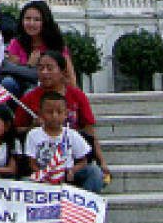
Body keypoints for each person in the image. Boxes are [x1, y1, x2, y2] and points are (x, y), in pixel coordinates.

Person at [17, 51, 109, 192]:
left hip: (69, 164)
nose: (44, 72)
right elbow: (18, 130)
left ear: (62, 71)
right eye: (40, 68)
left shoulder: (77, 96)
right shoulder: (29, 98)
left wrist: (102, 162)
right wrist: (33, 127)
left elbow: (89, 131)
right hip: (42, 168)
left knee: (94, 173)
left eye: (49, 68)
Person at [1, 0, 77, 96]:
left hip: (48, 92)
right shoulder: (16, 43)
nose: (31, 23)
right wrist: (29, 66)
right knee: (8, 83)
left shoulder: (56, 45)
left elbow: (71, 81)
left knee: (32, 92)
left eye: (37, 20)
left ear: (45, 22)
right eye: (28, 19)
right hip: (19, 91)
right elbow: (11, 72)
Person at [24, 91, 96, 191]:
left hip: (67, 175)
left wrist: (72, 170)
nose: (54, 116)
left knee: (94, 172)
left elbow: (84, 161)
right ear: (40, 113)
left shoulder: (71, 134)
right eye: (49, 112)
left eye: (59, 112)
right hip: (44, 176)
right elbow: (32, 163)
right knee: (25, 181)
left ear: (66, 114)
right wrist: (46, 175)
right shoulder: (33, 134)